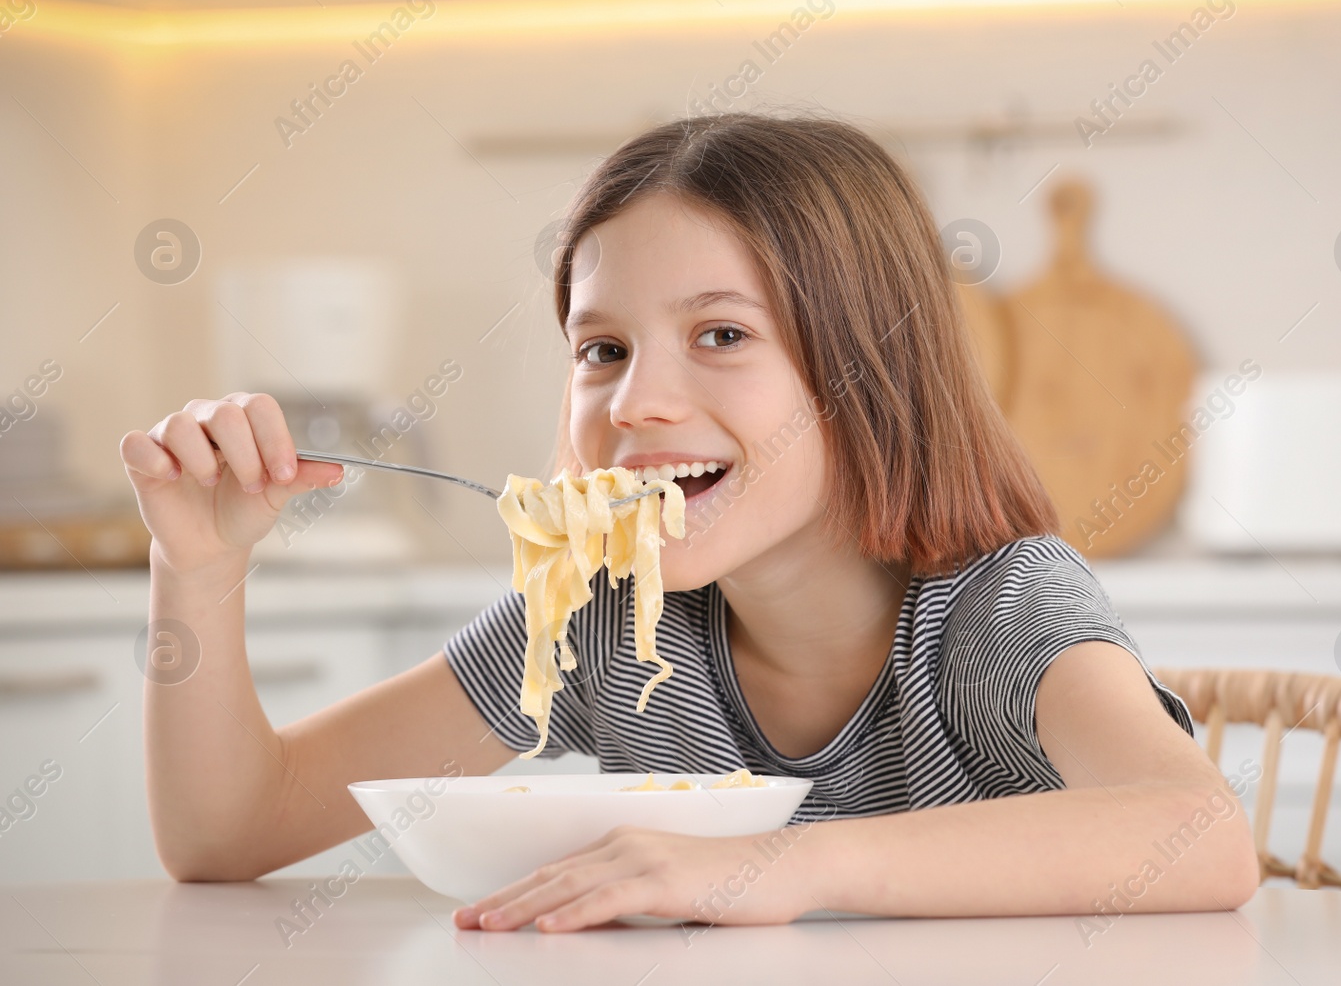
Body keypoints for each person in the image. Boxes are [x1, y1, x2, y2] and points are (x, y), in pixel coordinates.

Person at [120, 113, 1258, 933]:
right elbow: (233, 830)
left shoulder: (994, 608)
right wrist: (199, 562)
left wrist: (785, 864)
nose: (636, 401)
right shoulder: (601, 618)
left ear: (869, 370)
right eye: (602, 348)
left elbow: (1198, 834)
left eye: (721, 334)